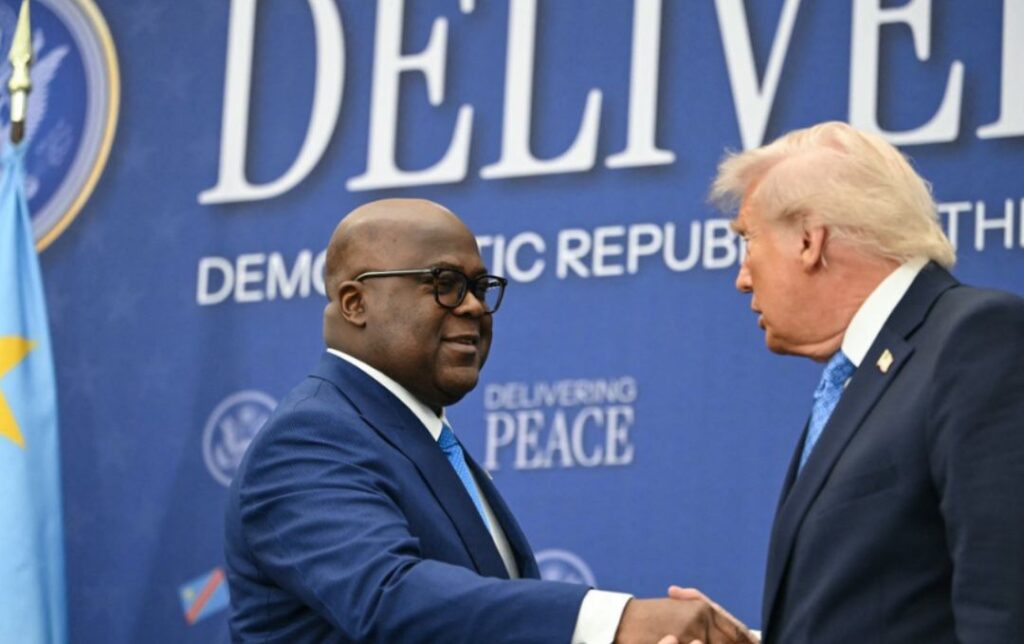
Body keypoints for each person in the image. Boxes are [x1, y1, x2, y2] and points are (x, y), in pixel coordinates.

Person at [224, 198, 757, 643]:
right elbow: (388, 597)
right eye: (445, 283)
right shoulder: (309, 438)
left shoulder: (420, 437)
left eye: (480, 287)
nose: (474, 307)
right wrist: (616, 621)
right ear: (355, 303)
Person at [707, 121, 1024, 642]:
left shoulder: (975, 338)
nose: (742, 277)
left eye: (748, 239)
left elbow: (1004, 603)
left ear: (809, 240)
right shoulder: (861, 378)